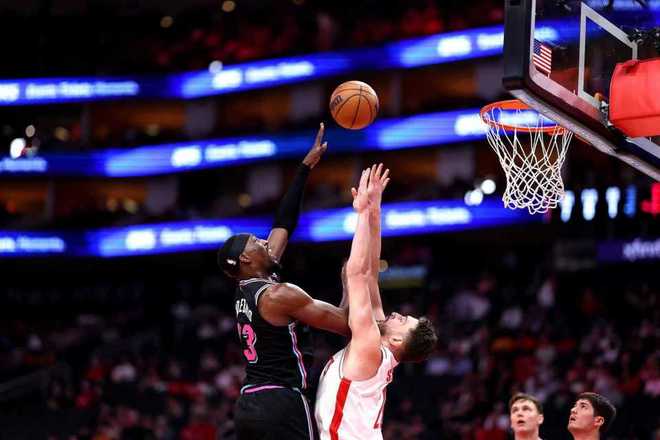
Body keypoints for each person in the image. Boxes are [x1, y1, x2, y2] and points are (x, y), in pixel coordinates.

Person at [217, 123, 350, 440]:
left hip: (249, 403)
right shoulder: (277, 295)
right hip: (282, 401)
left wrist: (305, 168)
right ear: (246, 258)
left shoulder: (248, 284)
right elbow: (346, 323)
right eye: (256, 242)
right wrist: (351, 281)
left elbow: (283, 223)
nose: (264, 241)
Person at [315, 164, 438, 440]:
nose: (397, 314)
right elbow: (370, 274)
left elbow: (356, 274)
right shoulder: (376, 342)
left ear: (396, 340)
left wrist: (361, 214)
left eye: (403, 321)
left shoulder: (371, 347)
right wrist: (374, 210)